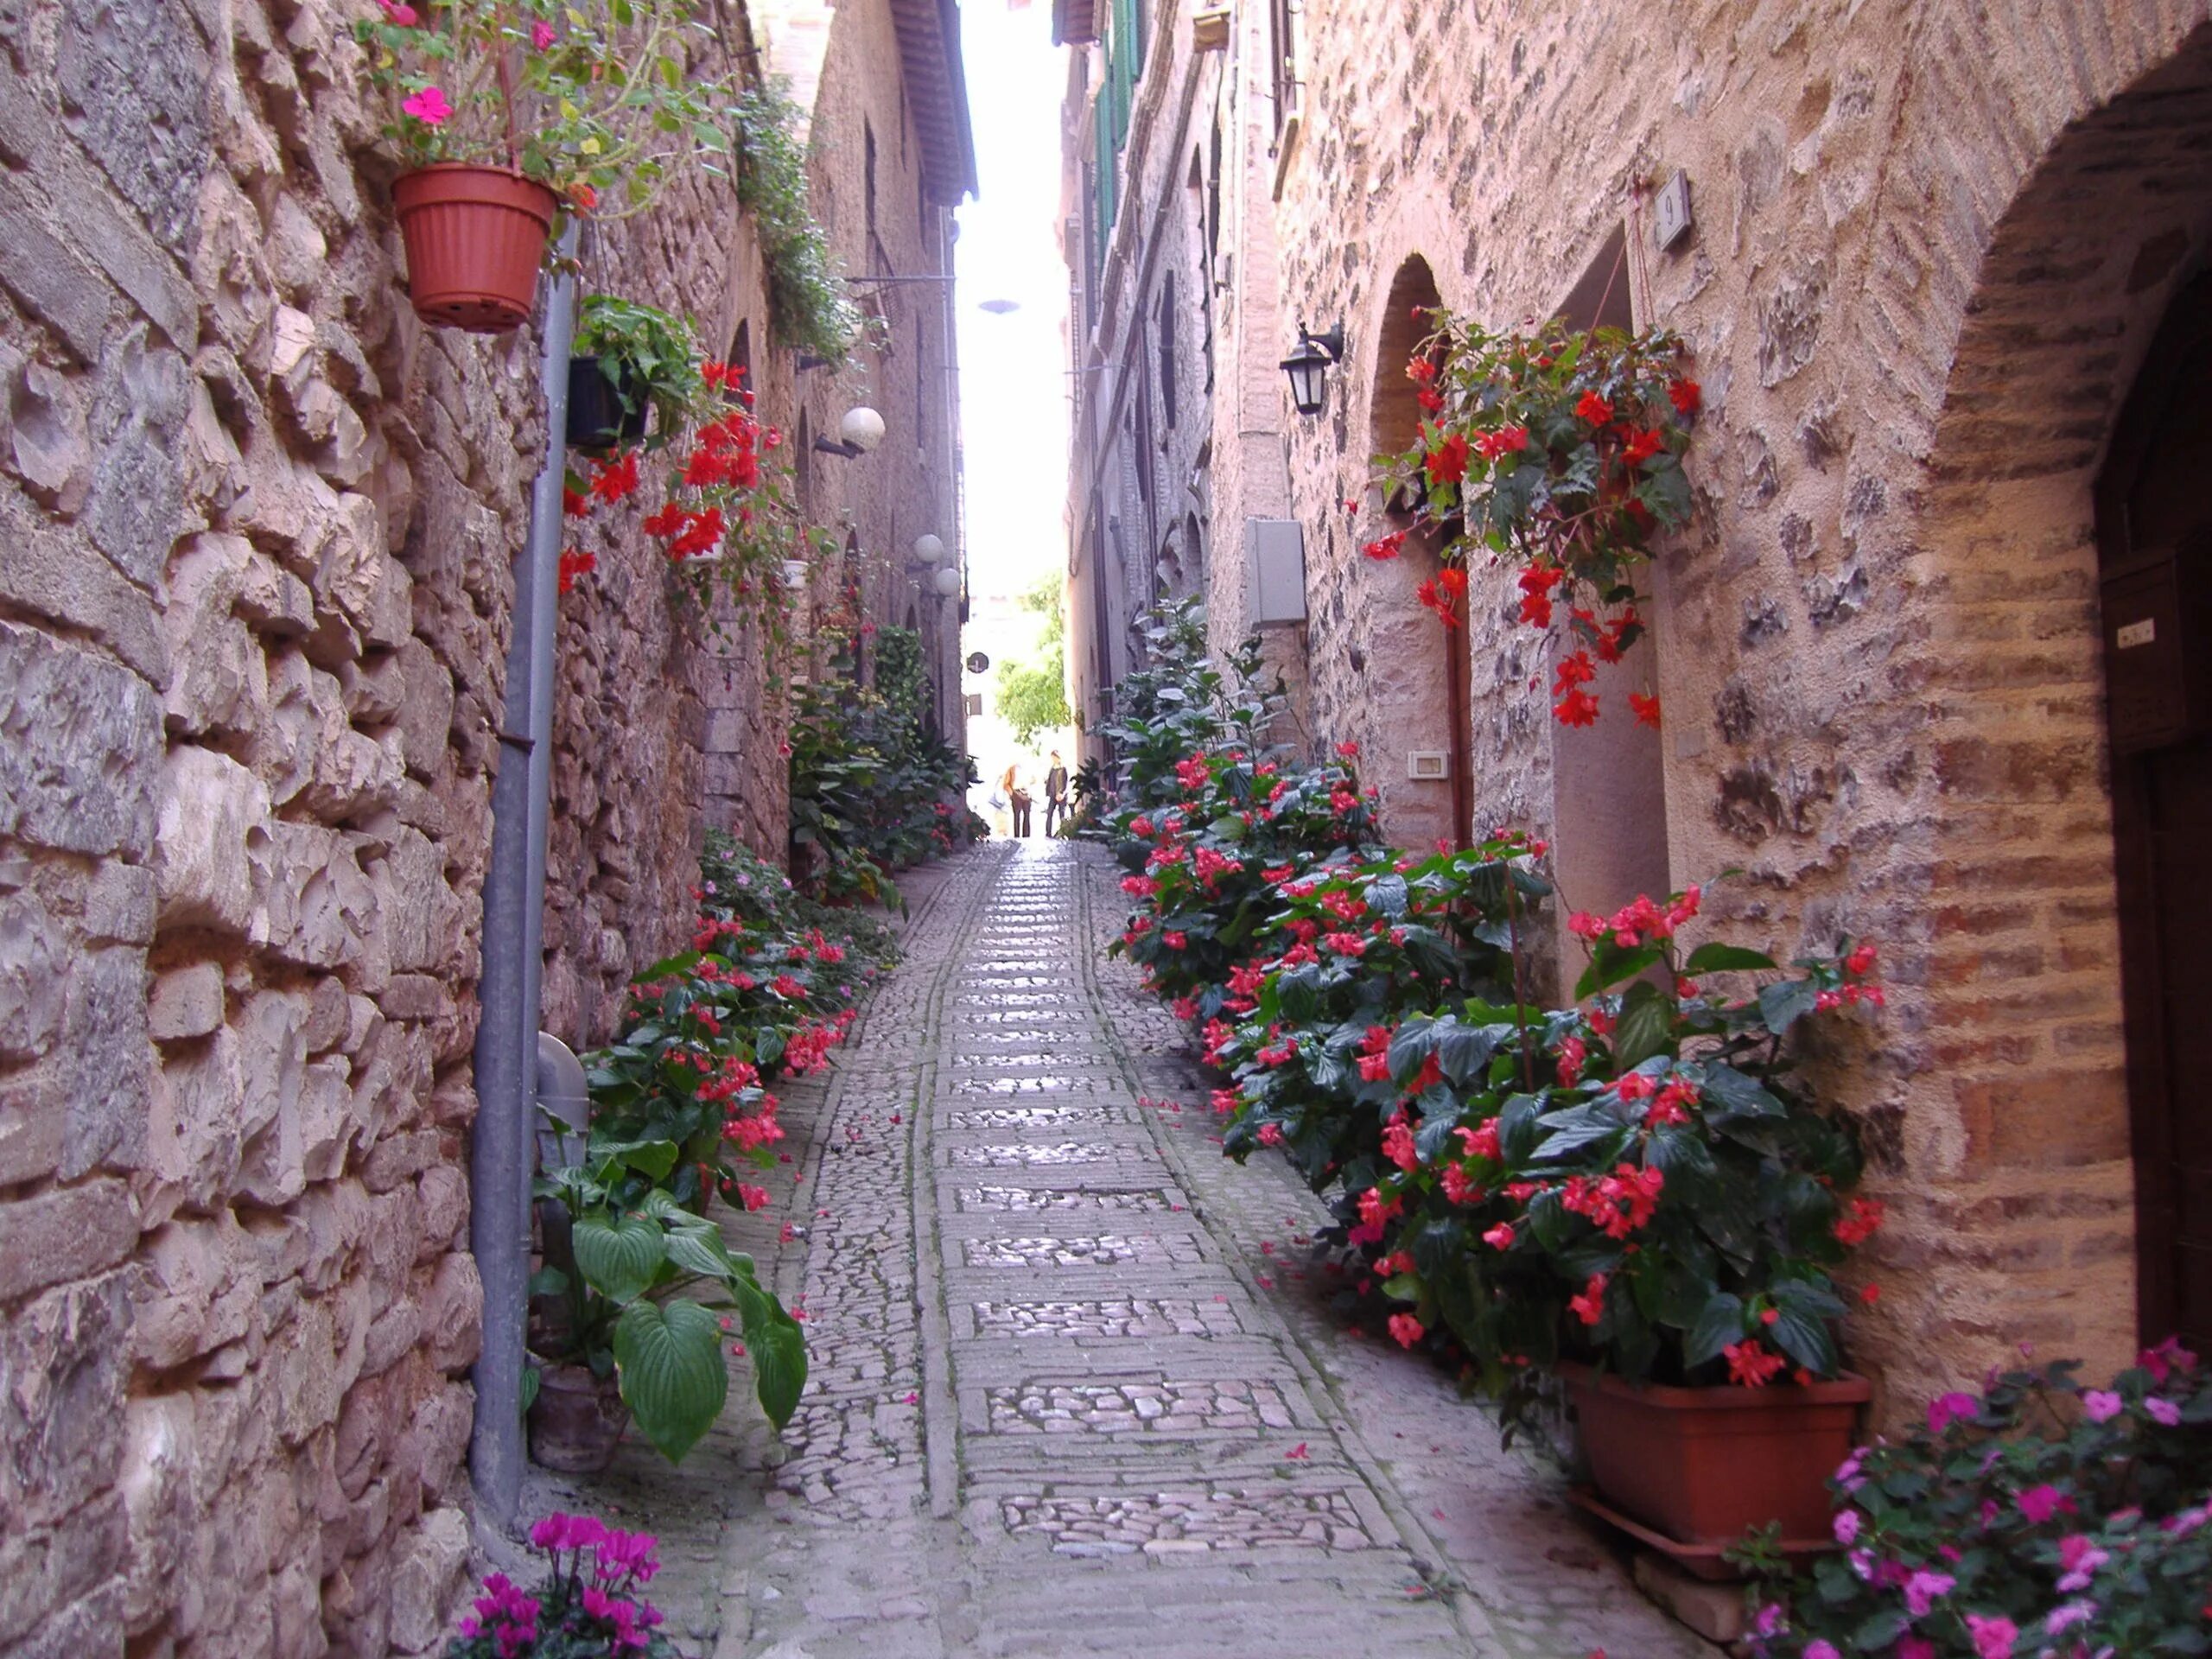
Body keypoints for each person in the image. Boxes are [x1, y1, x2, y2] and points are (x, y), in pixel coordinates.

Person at [1043, 751, 1070, 836]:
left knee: (1062, 814)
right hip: (1053, 794)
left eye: (1054, 758)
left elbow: (1065, 782)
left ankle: (1063, 833)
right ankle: (1048, 833)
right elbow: (1051, 781)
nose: (1053, 760)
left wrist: (1062, 793)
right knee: (1049, 812)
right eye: (1052, 758)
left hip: (1061, 795)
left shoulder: (1063, 769)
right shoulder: (1052, 769)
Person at [1002, 762, 1032, 838]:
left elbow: (1033, 780)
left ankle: (1026, 836)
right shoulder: (1011, 768)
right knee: (1017, 816)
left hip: (1026, 793)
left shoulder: (1028, 768)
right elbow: (1005, 783)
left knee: (1027, 815)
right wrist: (1011, 793)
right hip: (1016, 792)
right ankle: (1017, 836)